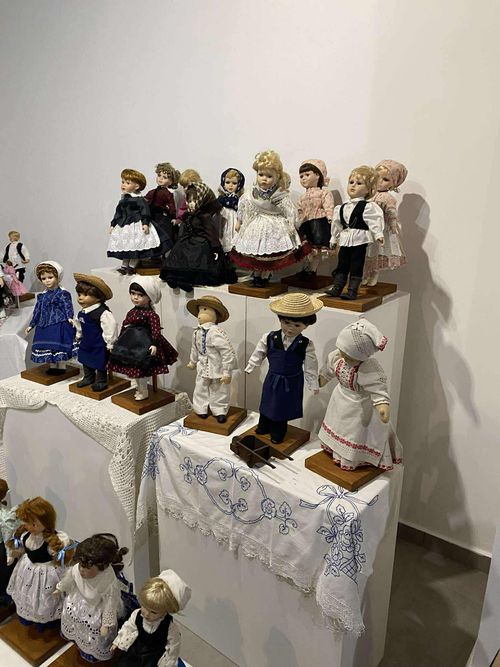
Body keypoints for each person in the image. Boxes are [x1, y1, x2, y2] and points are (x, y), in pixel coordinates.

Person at [318, 318, 403, 470]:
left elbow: (378, 387)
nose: (345, 358)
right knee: (337, 426)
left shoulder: (368, 368)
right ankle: (335, 451)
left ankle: (350, 458)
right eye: (343, 353)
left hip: (358, 406)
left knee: (353, 432)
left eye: (350, 358)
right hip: (339, 400)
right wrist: (322, 379)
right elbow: (329, 369)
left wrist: (382, 404)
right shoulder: (337, 356)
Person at [245, 292, 322, 443]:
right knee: (267, 402)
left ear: (306, 325)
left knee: (283, 407)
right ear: (280, 319)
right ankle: (263, 426)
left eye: (297, 325)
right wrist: (251, 366)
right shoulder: (269, 337)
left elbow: (311, 365)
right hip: (272, 377)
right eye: (286, 323)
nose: (290, 328)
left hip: (292, 382)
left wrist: (313, 383)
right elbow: (259, 352)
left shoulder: (305, 344)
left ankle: (278, 432)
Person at [231, 150, 301, 287]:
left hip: (273, 225)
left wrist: (291, 222)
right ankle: (256, 274)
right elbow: (243, 205)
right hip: (256, 224)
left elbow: (289, 209)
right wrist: (239, 221)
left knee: (269, 255)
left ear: (277, 177)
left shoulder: (279, 194)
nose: (264, 179)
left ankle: (265, 275)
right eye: (261, 174)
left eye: (269, 176)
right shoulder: (251, 192)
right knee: (256, 251)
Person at [57, 533, 128, 662]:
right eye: (80, 565)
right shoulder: (78, 569)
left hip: (95, 609)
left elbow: (110, 603)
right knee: (74, 623)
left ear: (101, 568)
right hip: (77, 602)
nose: (81, 570)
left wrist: (106, 623)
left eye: (87, 568)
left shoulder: (107, 581)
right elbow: (69, 578)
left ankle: (90, 653)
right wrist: (61, 588)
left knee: (92, 632)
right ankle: (78, 643)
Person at [7, 497, 74, 631]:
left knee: (44, 598)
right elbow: (22, 549)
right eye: (27, 523)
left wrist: (59, 557)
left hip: (47, 573)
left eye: (34, 524)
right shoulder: (25, 536)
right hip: (27, 569)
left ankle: (44, 623)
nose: (30, 527)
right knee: (27, 594)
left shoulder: (56, 541)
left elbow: (63, 561)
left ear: (47, 522)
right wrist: (13, 554)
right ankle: (29, 618)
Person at [109, 276, 177, 401]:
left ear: (149, 297)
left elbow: (156, 330)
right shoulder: (131, 312)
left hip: (144, 344)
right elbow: (125, 325)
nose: (135, 297)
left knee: (142, 370)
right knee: (134, 369)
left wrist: (154, 343)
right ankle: (139, 388)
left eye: (140, 295)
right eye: (133, 293)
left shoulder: (151, 315)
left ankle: (144, 390)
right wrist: (118, 341)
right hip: (130, 344)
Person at [160, 181, 236, 292]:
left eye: (194, 201)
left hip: (201, 244)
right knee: (179, 257)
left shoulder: (204, 217)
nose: (190, 204)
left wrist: (215, 248)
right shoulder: (188, 215)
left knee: (196, 261)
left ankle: (186, 281)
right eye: (189, 201)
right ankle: (175, 278)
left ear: (202, 200)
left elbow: (211, 233)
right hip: (187, 241)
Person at [326, 166, 384, 300]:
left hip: (360, 239)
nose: (353, 186)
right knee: (342, 263)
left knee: (357, 264)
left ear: (369, 189)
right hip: (345, 238)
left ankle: (352, 290)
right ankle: (338, 287)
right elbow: (337, 224)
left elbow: (374, 221)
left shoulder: (368, 207)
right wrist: (333, 238)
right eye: (351, 182)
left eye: (359, 183)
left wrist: (378, 234)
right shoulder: (341, 207)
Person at [112, 569, 191, 667]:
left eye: (153, 612)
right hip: (135, 652)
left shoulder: (170, 627)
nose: (146, 614)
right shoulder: (137, 615)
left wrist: (167, 662)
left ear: (165, 611)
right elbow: (129, 627)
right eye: (144, 606)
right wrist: (119, 641)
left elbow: (173, 646)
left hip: (153, 657)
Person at [186, 295, 237, 423]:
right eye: (199, 310)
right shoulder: (196, 332)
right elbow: (194, 348)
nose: (200, 314)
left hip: (216, 367)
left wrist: (227, 371)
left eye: (204, 310)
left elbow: (227, 352)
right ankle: (200, 409)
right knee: (200, 387)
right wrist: (193, 361)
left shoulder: (216, 332)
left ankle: (219, 410)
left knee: (219, 388)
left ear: (215, 314)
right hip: (202, 366)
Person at [25, 261, 76, 374]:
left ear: (57, 277)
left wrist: (70, 317)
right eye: (43, 278)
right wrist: (31, 325)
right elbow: (37, 311)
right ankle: (52, 366)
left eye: (50, 277)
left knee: (58, 345)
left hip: (59, 322)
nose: (47, 281)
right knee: (47, 346)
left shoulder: (63, 293)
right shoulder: (42, 296)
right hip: (44, 325)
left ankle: (61, 366)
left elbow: (68, 306)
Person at [362, 159, 408, 286]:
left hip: (381, 228)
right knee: (366, 252)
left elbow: (391, 212)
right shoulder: (368, 194)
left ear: (393, 185)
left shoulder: (387, 198)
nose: (380, 181)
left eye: (386, 179)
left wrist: (392, 224)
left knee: (377, 252)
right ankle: (365, 275)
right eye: (377, 177)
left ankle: (374, 275)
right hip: (366, 228)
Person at [107, 168, 160, 275]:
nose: (123, 185)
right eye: (123, 182)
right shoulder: (123, 200)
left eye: (127, 183)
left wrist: (145, 223)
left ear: (137, 186)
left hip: (136, 225)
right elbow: (118, 213)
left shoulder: (139, 200)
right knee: (126, 246)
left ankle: (131, 266)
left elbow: (145, 211)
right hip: (124, 226)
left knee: (136, 247)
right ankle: (124, 265)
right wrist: (113, 224)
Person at [73, 273, 118, 392]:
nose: (80, 298)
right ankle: (88, 377)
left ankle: (101, 380)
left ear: (98, 297)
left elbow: (110, 327)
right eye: (79, 294)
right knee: (85, 358)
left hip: (99, 344)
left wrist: (110, 343)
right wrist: (78, 335)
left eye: (85, 295)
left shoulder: (103, 313)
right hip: (86, 342)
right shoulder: (82, 312)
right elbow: (79, 325)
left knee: (100, 361)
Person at [296, 159, 335, 279]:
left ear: (318, 175)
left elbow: (329, 206)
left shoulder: (324, 193)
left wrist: (330, 218)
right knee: (306, 249)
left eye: (307, 175)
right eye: (301, 176)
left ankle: (312, 271)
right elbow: (300, 211)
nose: (304, 178)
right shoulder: (302, 197)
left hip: (318, 223)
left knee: (315, 249)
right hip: (305, 224)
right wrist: (297, 222)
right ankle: (305, 269)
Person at [145, 163, 178, 256]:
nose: (161, 179)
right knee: (153, 234)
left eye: (165, 177)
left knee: (163, 233)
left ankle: (165, 253)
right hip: (152, 215)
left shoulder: (168, 193)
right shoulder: (152, 191)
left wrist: (173, 216)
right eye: (159, 175)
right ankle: (154, 254)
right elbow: (146, 200)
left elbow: (171, 205)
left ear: (171, 181)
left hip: (162, 216)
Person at [217, 168, 245, 254]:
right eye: (227, 182)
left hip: (234, 218)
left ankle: (233, 252)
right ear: (223, 183)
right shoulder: (221, 198)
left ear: (239, 185)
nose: (230, 185)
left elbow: (242, 211)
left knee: (233, 233)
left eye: (234, 183)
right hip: (222, 218)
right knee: (223, 233)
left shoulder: (239, 199)